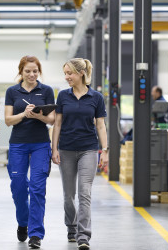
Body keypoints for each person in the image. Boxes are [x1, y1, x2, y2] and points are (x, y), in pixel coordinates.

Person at [51, 58, 109, 250]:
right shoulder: (63, 96)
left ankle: (83, 236)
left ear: (81, 73)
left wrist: (105, 150)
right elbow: (57, 123)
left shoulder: (96, 97)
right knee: (69, 195)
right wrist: (54, 149)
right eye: (65, 73)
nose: (67, 77)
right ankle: (71, 226)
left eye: (70, 73)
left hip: (88, 149)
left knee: (84, 193)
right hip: (66, 149)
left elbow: (100, 125)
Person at [4, 55, 55, 249]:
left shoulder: (47, 91)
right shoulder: (12, 91)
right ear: (21, 72)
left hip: (41, 144)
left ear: (38, 72)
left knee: (37, 188)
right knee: (18, 186)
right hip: (18, 144)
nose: (32, 74)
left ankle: (35, 234)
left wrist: (38, 116)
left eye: (35, 71)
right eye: (28, 71)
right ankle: (23, 222)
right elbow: (8, 120)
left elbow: (51, 120)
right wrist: (24, 114)